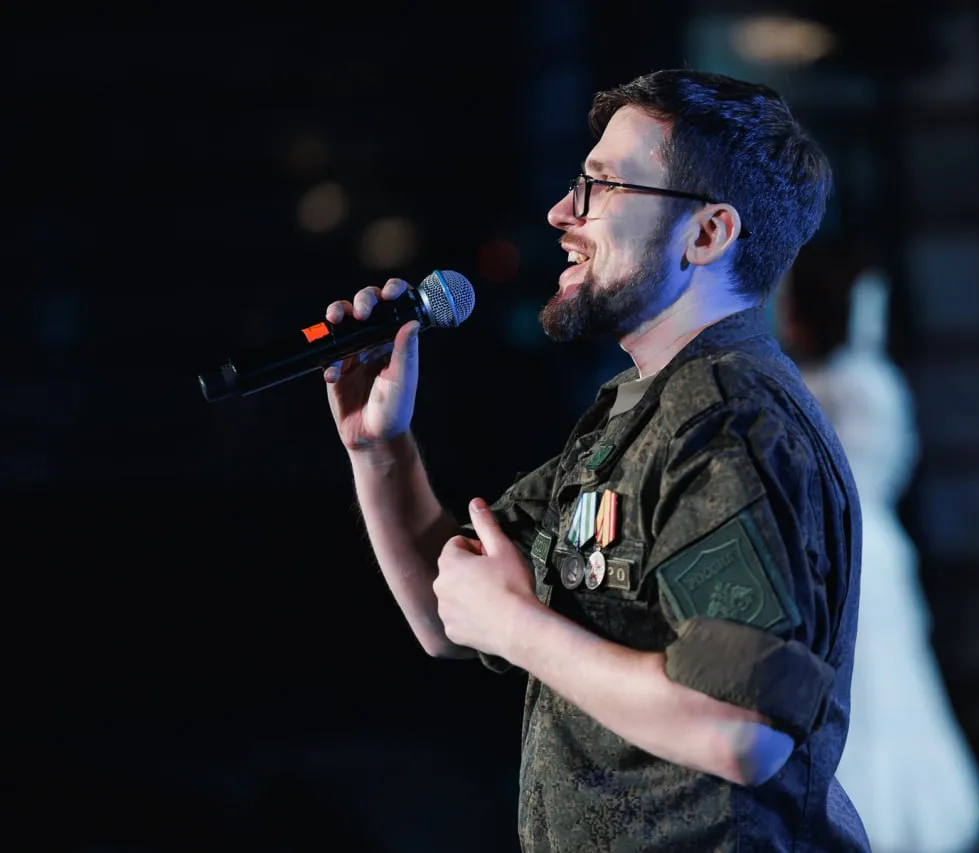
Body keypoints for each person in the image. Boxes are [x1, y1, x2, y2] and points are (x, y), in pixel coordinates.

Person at [321, 69, 868, 852]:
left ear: (707, 234)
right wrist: (380, 450)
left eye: (601, 187)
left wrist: (518, 625)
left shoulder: (730, 420)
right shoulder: (642, 409)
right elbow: (452, 613)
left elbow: (740, 726)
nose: (561, 213)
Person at [777, 244, 979, 853]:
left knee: (866, 686)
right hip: (853, 549)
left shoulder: (851, 384)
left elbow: (844, 479)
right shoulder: (845, 378)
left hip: (847, 552)